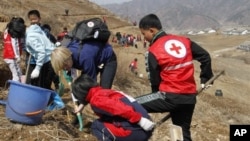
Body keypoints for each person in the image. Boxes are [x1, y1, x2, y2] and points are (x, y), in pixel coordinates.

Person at [135, 14, 214, 141]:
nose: (144, 38)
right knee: (182, 135)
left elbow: (154, 79)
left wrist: (157, 97)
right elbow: (205, 56)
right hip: (189, 98)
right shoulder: (184, 41)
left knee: (130, 104)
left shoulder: (153, 50)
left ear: (152, 30)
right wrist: (205, 78)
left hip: (169, 96)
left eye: (144, 34)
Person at [71, 74, 155, 141]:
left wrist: (140, 121)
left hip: (138, 130)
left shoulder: (96, 100)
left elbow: (121, 109)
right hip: (147, 126)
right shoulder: (104, 92)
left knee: (96, 125)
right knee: (104, 120)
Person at [51, 39, 117, 89]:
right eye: (62, 68)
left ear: (68, 58)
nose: (65, 69)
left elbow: (92, 83)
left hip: (108, 58)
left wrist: (81, 103)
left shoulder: (84, 58)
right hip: (94, 59)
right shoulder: (68, 53)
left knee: (104, 90)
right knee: (82, 84)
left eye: (65, 65)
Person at [25, 9, 57, 90]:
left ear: (39, 19)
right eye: (31, 19)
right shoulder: (29, 31)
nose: (33, 21)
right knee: (32, 82)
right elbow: (26, 44)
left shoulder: (44, 31)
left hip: (43, 61)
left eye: (35, 19)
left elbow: (48, 44)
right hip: (32, 60)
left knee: (42, 82)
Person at [3, 17, 26, 82]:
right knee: (17, 76)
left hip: (8, 55)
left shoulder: (7, 31)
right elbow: (15, 45)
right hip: (11, 56)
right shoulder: (13, 33)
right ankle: (15, 90)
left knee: (19, 74)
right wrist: (17, 56)